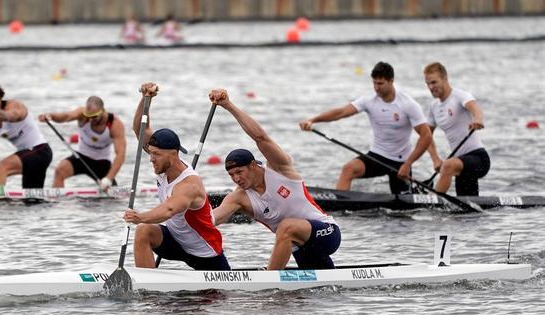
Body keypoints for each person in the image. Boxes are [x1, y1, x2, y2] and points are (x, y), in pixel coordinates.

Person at [209, 89, 340, 271]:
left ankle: (271, 277)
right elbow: (212, 219)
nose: (236, 179)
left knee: (286, 227)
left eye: (239, 172)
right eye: (231, 175)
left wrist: (228, 105)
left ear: (254, 165)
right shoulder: (238, 198)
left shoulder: (280, 169)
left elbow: (260, 136)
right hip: (300, 248)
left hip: (327, 233)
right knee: (321, 291)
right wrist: (181, 214)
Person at [123, 82, 230, 271]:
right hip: (176, 242)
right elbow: (140, 130)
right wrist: (146, 99)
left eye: (156, 154)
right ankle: (147, 286)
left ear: (173, 154)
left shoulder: (189, 185)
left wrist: (140, 216)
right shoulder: (164, 162)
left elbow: (169, 210)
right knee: (143, 232)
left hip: (205, 254)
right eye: (151, 152)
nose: (151, 158)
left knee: (143, 223)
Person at [300, 61, 432, 194]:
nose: (376, 87)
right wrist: (313, 120)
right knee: (348, 169)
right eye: (374, 83)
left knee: (403, 211)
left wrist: (408, 164)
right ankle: (340, 206)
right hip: (377, 156)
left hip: (401, 162)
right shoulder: (369, 101)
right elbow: (341, 112)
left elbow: (426, 136)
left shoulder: (408, 104)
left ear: (391, 81)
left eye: (380, 83)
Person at [423, 62, 490, 196]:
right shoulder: (434, 107)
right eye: (428, 84)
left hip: (478, 159)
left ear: (445, 78)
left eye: (434, 82)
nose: (431, 87)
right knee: (467, 211)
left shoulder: (460, 95)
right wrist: (435, 159)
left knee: (448, 165)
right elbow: (426, 136)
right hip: (461, 163)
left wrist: (478, 120)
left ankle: (432, 202)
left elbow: (475, 108)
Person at [38, 96, 125, 190]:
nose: (91, 119)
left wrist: (108, 179)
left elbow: (121, 154)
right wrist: (50, 116)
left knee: (113, 196)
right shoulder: (81, 114)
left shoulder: (115, 124)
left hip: (102, 162)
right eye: (88, 116)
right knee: (60, 171)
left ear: (103, 111)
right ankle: (57, 201)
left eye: (94, 116)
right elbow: (66, 116)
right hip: (81, 157)